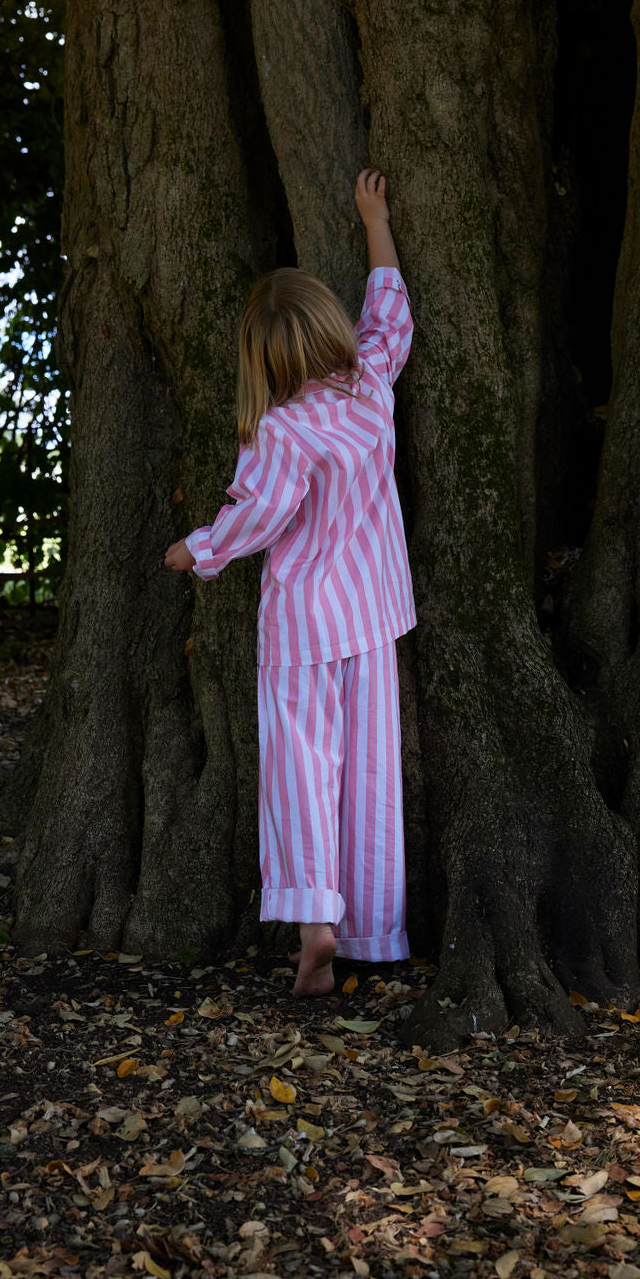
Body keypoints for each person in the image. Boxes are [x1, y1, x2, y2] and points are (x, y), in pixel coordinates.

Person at [164, 169, 415, 996]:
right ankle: (375, 931)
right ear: (327, 326)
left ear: (264, 357)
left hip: (306, 626)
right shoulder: (372, 385)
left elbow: (257, 517)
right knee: (371, 777)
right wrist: (375, 221)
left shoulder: (282, 427)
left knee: (302, 769)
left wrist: (197, 549)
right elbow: (390, 313)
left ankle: (317, 922)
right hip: (374, 618)